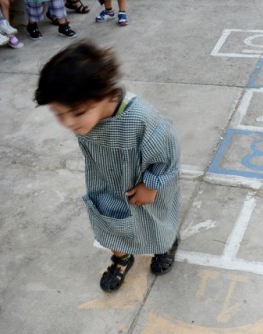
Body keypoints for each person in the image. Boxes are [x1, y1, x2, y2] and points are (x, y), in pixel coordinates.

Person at [34, 40, 181, 292]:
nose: (68, 122)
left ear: (106, 95)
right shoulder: (86, 120)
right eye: (59, 114)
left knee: (155, 221)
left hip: (144, 187)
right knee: (110, 225)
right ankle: (122, 258)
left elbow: (167, 155)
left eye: (77, 113)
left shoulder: (141, 119)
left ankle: (164, 245)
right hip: (106, 183)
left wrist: (151, 184)